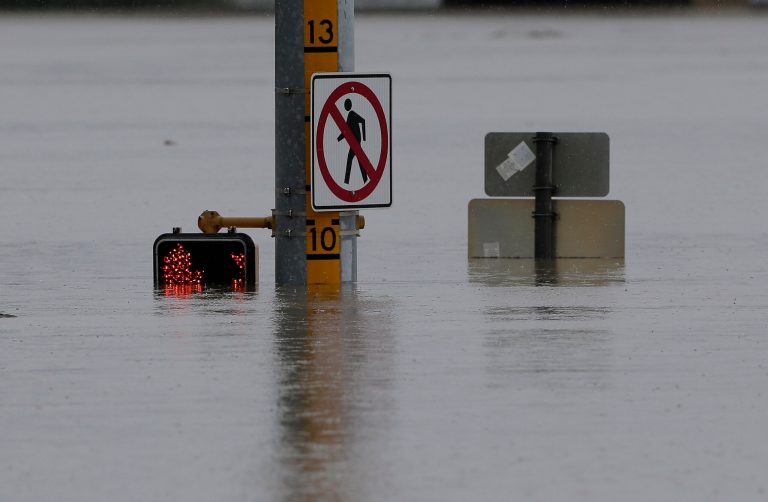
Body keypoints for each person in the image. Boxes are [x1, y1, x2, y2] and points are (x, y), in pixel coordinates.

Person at [337, 98, 367, 184]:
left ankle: (347, 181)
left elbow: (363, 120)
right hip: (354, 143)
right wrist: (338, 139)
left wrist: (364, 138)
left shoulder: (352, 114)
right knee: (359, 161)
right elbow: (345, 131)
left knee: (350, 160)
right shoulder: (349, 116)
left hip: (356, 143)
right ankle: (365, 180)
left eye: (346, 105)